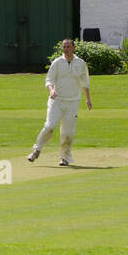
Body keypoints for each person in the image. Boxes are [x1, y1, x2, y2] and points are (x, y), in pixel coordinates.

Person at [27, 38, 93, 166]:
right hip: (56, 101)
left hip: (73, 101)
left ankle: (65, 158)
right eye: (64, 47)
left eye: (68, 47)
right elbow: (48, 80)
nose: (66, 49)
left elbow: (85, 82)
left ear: (73, 48)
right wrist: (51, 91)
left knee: (68, 132)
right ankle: (36, 150)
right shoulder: (57, 62)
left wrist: (88, 99)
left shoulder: (80, 63)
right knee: (50, 126)